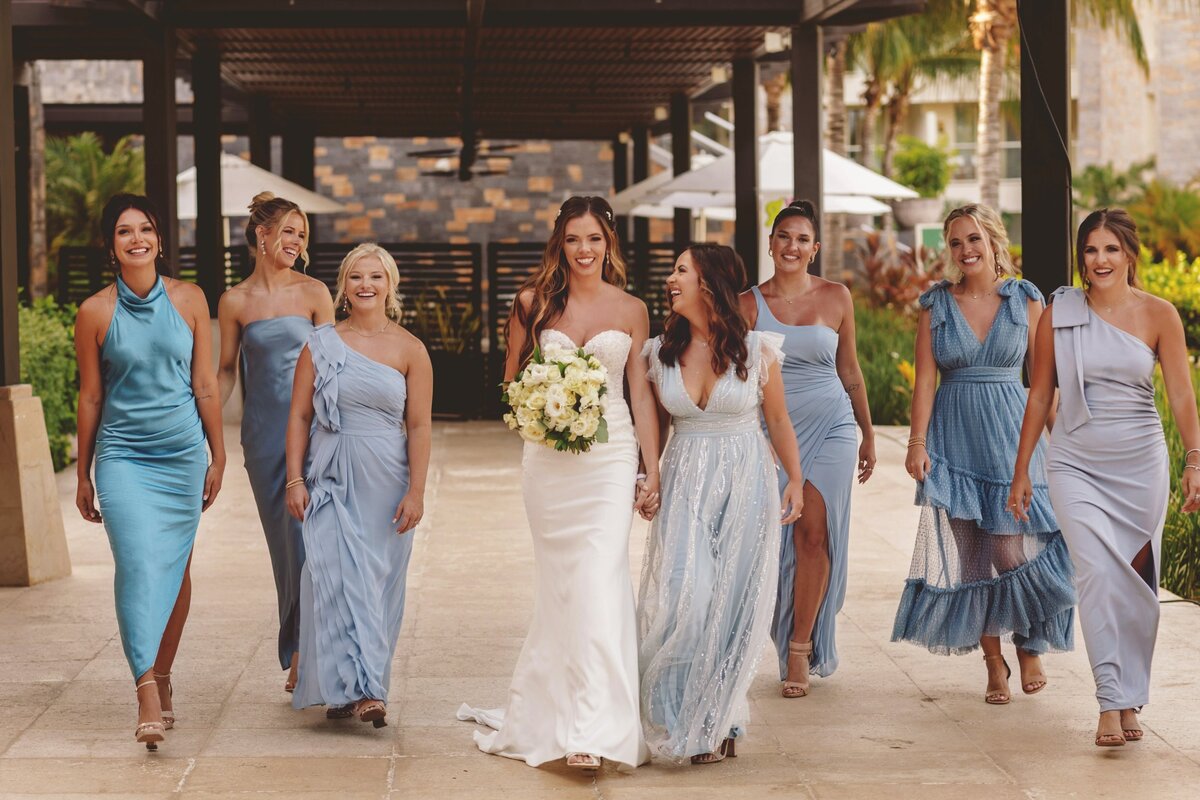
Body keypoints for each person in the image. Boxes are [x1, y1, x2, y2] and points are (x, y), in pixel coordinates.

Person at [457, 196, 659, 772]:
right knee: (563, 588)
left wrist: (654, 466)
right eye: (574, 239)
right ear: (559, 243)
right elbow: (512, 382)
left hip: (611, 455)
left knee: (599, 577)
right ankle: (555, 710)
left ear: (609, 243)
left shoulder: (633, 309)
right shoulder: (532, 302)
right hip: (549, 462)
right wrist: (541, 405)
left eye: (594, 239)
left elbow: (640, 393)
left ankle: (591, 730)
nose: (584, 250)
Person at [1010, 208, 1200, 747]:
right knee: (1095, 575)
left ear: (1129, 255)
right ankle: (1110, 700)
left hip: (1140, 463)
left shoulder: (1159, 315)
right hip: (1074, 462)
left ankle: (1131, 695)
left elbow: (1182, 394)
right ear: (1081, 257)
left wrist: (1195, 459)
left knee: (1138, 584)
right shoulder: (1059, 312)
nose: (1100, 261)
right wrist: (1023, 468)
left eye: (1111, 250)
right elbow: (1042, 393)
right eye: (1091, 251)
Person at [891, 204, 1076, 704]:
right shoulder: (936, 304)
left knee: (1011, 547)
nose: (965, 250)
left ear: (993, 241)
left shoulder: (1025, 299)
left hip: (1013, 433)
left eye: (974, 239)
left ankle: (1030, 642)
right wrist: (916, 443)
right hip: (954, 436)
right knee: (971, 555)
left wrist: (1065, 442)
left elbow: (1044, 381)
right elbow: (925, 380)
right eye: (955, 243)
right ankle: (993, 662)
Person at [637, 244, 804, 765]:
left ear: (708, 283)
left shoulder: (757, 351)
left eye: (681, 270)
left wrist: (795, 479)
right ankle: (682, 710)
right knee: (689, 595)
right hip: (686, 477)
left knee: (733, 605)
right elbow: (655, 431)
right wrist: (650, 477)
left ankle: (718, 718)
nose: (670, 279)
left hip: (746, 479)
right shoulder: (656, 352)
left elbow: (776, 420)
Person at [74, 193, 225, 749]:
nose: (136, 238)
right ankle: (143, 690)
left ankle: (163, 674)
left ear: (159, 239)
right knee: (138, 564)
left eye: (145, 229)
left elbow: (204, 383)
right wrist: (84, 473)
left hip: (182, 454)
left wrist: (219, 452)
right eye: (123, 231)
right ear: (110, 246)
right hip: (123, 458)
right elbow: (91, 397)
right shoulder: (94, 312)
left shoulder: (190, 300)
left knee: (176, 569)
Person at [285, 243, 431, 727]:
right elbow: (301, 415)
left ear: (390, 286)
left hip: (388, 479)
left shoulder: (411, 349)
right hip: (330, 473)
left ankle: (368, 687)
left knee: (376, 582)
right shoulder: (320, 343)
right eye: (355, 277)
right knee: (330, 576)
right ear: (343, 287)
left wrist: (417, 491)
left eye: (376, 277)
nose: (366, 285)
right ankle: (349, 689)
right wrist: (294, 479)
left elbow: (420, 426)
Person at [738, 199, 874, 697]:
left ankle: (799, 650)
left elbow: (850, 370)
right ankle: (777, 635)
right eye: (783, 237)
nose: (791, 246)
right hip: (774, 430)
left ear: (814, 249)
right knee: (776, 539)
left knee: (814, 534)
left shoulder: (837, 297)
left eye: (801, 239)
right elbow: (738, 375)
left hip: (833, 424)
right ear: (771, 244)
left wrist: (868, 433)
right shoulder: (747, 304)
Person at [217, 192, 334, 693]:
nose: (296, 241)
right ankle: (298, 643)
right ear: (262, 235)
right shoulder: (234, 301)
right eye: (289, 230)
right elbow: (224, 372)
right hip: (263, 438)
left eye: (302, 233)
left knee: (314, 540)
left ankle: (309, 649)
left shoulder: (314, 293)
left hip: (314, 433)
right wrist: (197, 423)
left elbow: (334, 369)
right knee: (284, 546)